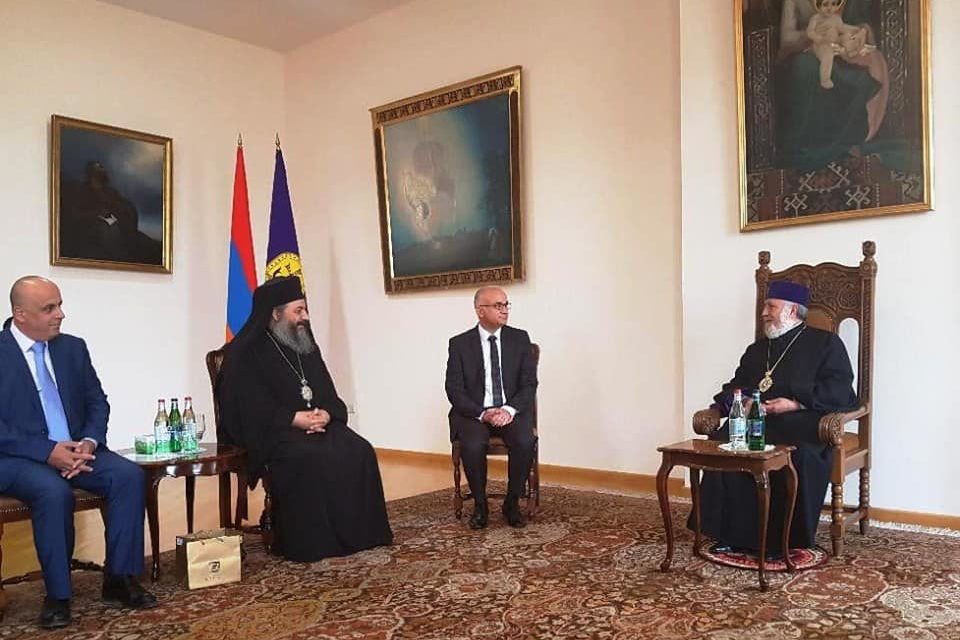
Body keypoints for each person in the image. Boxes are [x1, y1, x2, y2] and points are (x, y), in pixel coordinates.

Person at [0, 276, 155, 629]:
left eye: (60, 305)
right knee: (53, 492)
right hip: (18, 457)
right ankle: (58, 595)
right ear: (20, 314)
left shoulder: (73, 348)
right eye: (49, 308)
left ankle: (120, 578)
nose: (61, 314)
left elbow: (97, 402)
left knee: (128, 476)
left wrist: (88, 442)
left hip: (77, 448)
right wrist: (48, 451)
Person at [216, 276, 392, 562]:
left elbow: (328, 393)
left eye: (305, 309)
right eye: (298, 310)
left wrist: (326, 414)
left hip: (316, 424)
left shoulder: (305, 344)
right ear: (275, 313)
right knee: (308, 456)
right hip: (273, 430)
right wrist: (292, 418)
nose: (305, 317)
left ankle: (361, 535)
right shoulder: (245, 353)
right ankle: (313, 543)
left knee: (359, 450)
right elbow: (246, 407)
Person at [690, 280, 858, 557]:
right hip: (758, 422)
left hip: (803, 423)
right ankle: (729, 534)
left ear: (792, 310)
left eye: (771, 306)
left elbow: (839, 390)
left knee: (797, 457)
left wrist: (795, 403)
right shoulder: (758, 350)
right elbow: (737, 385)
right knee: (725, 445)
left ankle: (783, 541)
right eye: (765, 307)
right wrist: (735, 403)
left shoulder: (826, 344)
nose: (764, 313)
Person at [445, 286, 538, 529]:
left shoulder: (519, 339)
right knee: (472, 444)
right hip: (474, 413)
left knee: (525, 440)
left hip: (509, 411)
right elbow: (454, 389)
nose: (505, 310)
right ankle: (480, 505)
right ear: (480, 311)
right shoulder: (459, 344)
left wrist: (508, 410)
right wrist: (483, 413)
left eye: (506, 304)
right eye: (498, 305)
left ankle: (511, 502)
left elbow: (529, 384)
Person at [776, 0, 889, 171]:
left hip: (839, 54)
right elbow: (786, 38)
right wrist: (813, 35)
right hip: (804, 52)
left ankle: (844, 143)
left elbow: (856, 27)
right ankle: (805, 148)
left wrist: (857, 34)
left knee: (859, 76)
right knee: (804, 67)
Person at [805, 0, 875, 89]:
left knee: (847, 36)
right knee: (827, 54)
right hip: (821, 44)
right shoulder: (816, 18)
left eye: (833, 4)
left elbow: (842, 28)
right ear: (819, 6)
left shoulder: (836, 18)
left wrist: (855, 29)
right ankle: (825, 79)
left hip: (835, 41)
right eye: (825, 5)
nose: (830, 8)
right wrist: (820, 38)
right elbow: (810, 32)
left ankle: (851, 51)